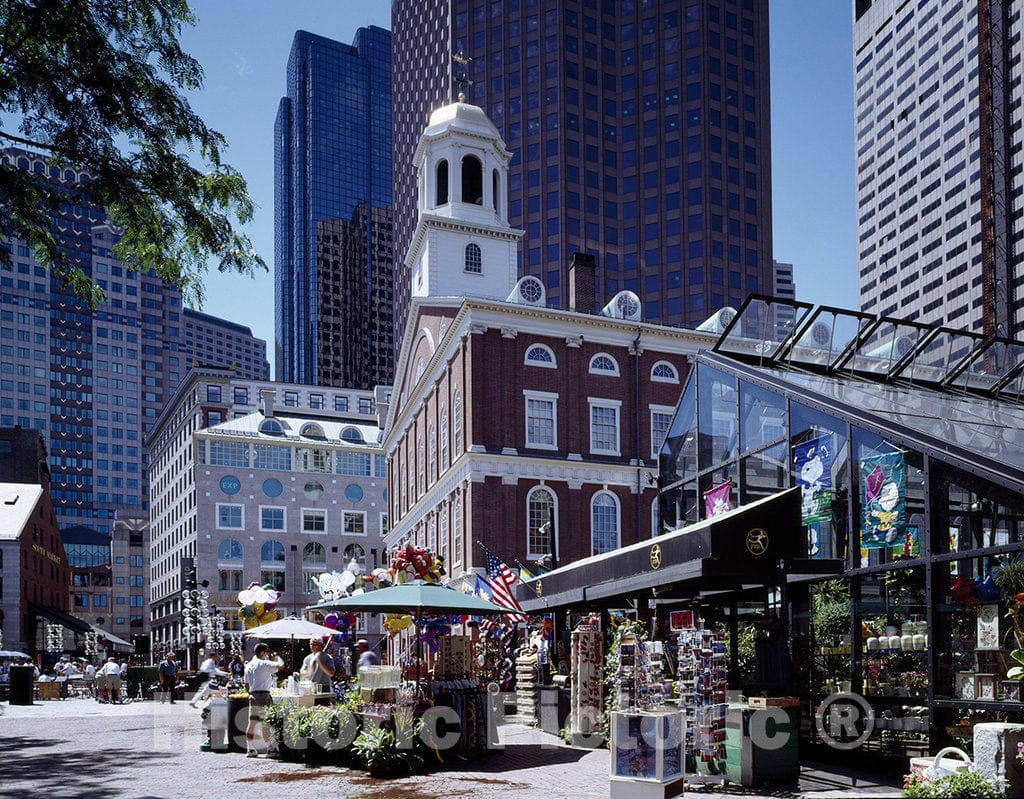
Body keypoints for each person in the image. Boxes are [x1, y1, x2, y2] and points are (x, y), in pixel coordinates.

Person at [244, 643, 284, 757]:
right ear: (262, 652)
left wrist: (251, 693)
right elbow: (281, 666)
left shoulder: (249, 665)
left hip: (253, 695)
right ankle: (271, 750)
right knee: (266, 723)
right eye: (267, 652)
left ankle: (250, 749)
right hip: (263, 695)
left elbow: (246, 684)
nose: (267, 654)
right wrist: (277, 657)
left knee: (251, 723)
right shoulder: (264, 663)